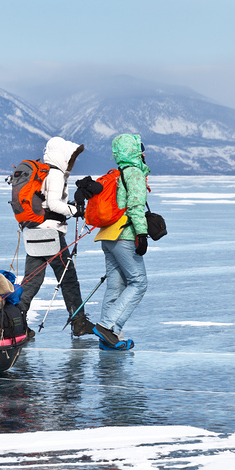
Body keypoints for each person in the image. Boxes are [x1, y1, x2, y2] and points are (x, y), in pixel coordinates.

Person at [18, 136, 95, 337]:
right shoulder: (56, 175)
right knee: (68, 279)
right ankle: (78, 322)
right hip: (51, 234)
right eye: (70, 158)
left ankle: (16, 323)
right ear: (62, 156)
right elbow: (53, 204)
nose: (72, 163)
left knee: (31, 281)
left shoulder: (42, 174)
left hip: (34, 232)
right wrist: (76, 210)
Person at [92, 134, 150, 351]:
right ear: (134, 152)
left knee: (115, 287)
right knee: (139, 283)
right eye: (140, 149)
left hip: (107, 237)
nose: (144, 153)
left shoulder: (117, 174)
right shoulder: (134, 173)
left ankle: (108, 338)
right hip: (124, 236)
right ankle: (107, 326)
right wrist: (142, 235)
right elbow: (135, 207)